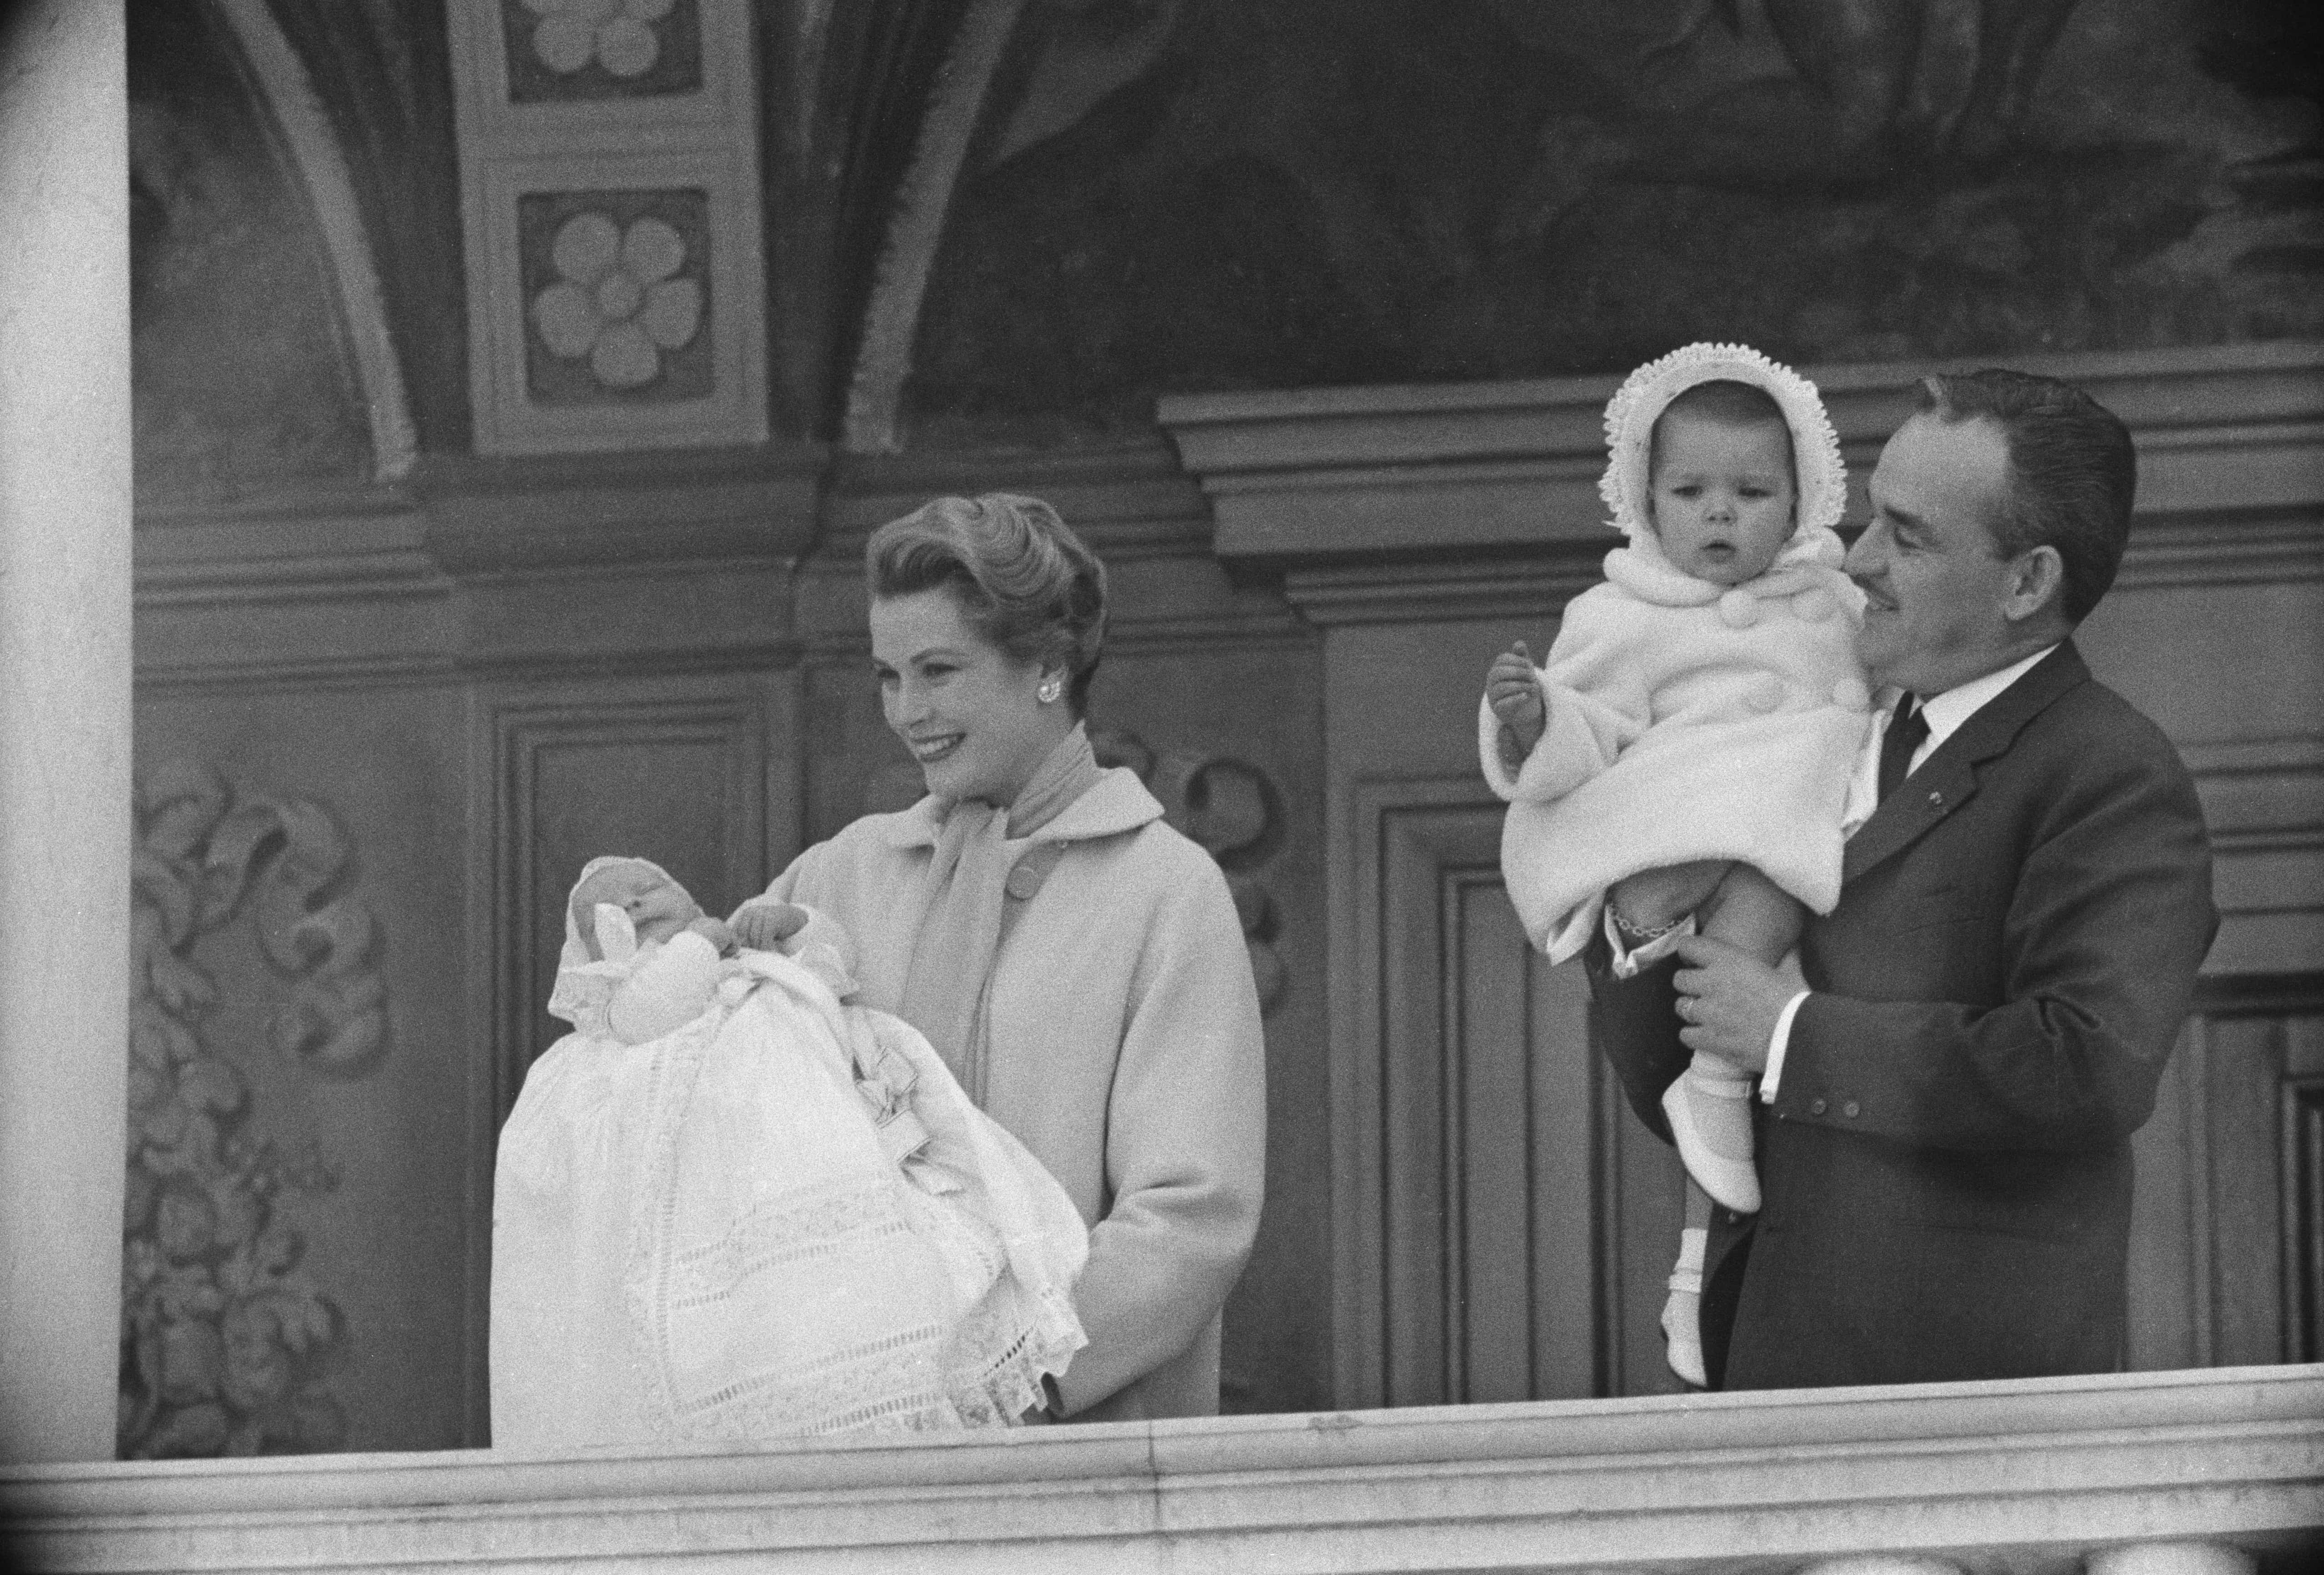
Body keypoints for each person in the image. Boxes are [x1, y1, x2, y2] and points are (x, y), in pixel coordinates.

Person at [1588, 367, 2217, 1390]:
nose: (1856, 556)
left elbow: (2087, 1064)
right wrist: (1642, 921)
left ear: (2026, 582)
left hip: (1967, 1400)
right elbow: (1685, 1097)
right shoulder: (1827, 733)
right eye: (1868, 517)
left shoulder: (2107, 770)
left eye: (1907, 535)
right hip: (1771, 1370)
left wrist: (1790, 1033)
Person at [739, 492, 1267, 1422]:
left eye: (938, 670)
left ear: (1050, 668)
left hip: (1080, 1467)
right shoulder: (838, 876)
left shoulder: (1165, 891)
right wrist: (659, 937)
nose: (907, 712)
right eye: (887, 676)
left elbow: (1190, 1221)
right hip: (858, 1466)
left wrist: (1002, 1388)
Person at [1480, 343, 1872, 1385]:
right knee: (1724, 1089)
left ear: (1801, 497)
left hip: (1798, 858)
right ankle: (1699, 1239)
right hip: (1690, 828)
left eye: (1751, 492)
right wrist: (1536, 718)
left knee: (1747, 1133)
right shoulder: (1618, 611)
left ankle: (1698, 1274)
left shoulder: (1836, 602)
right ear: (1641, 498)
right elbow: (1591, 729)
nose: (1718, 517)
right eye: (1689, 492)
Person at [490, 856, 1088, 1451]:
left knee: (897, 1260)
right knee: (770, 1287)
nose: (639, 903)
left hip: (819, 1122)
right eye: (617, 908)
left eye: (650, 888)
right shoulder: (632, 989)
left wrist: (793, 923)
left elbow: (833, 962)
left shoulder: (753, 959)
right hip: (745, 1150)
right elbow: (647, 1012)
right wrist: (695, 946)